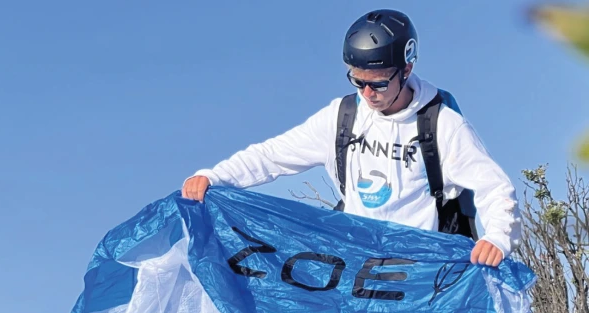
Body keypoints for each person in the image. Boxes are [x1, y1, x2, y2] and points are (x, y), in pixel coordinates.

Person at [182, 9, 520, 268]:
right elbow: (272, 156)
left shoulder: (442, 125)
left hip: (421, 274)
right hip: (356, 267)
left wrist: (498, 238)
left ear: (406, 69)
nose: (368, 93)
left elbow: (494, 187)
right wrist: (214, 176)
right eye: (358, 82)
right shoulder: (342, 117)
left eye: (379, 83)